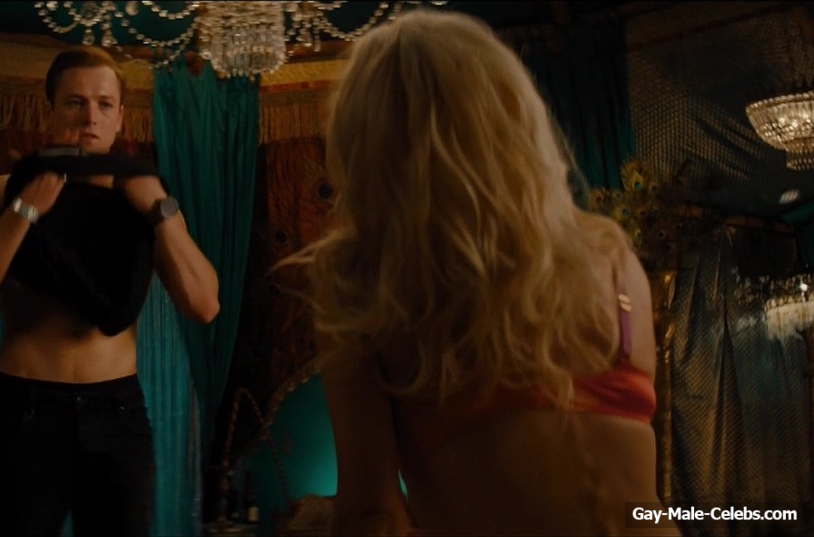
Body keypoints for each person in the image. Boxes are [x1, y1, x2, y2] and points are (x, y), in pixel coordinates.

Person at [277, 9, 679, 537]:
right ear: (514, 114)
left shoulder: (362, 279)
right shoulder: (610, 255)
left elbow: (373, 517)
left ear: (368, 147)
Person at [0, 45, 220, 537]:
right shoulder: (2, 191)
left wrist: (160, 211)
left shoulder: (145, 195)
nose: (90, 117)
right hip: (26, 412)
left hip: (118, 413)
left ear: (120, 118)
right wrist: (26, 210)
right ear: (49, 111)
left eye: (104, 104)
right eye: (75, 102)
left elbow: (204, 306)